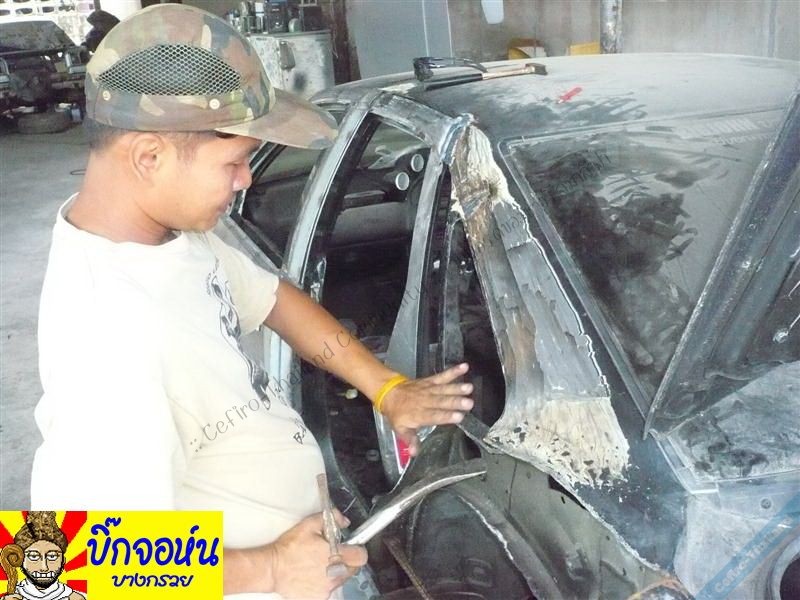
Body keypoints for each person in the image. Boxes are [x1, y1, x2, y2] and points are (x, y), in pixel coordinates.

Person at [30, 4, 474, 599]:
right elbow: (57, 563)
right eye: (233, 162)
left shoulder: (162, 237)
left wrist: (386, 388)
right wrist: (271, 568)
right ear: (149, 157)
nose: (245, 180)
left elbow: (273, 299)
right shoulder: (107, 337)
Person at [0, 512, 86, 600]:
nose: (44, 568)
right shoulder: (13, 597)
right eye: (33, 557)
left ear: (63, 560)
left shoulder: (74, 598)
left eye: (52, 556)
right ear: (21, 559)